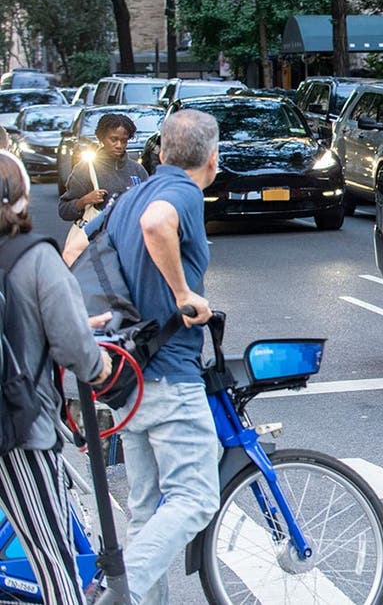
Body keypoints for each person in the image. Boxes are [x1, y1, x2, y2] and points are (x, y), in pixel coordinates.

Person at [72, 110, 219, 605]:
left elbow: (77, 246)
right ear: (212, 159)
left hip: (127, 377)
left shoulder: (128, 195)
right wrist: (183, 293)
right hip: (168, 374)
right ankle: (112, 595)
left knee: (147, 508)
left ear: (158, 153)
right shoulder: (180, 193)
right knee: (195, 498)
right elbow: (160, 224)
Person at [0, 150, 111, 603]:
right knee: (52, 553)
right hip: (18, 426)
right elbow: (74, 349)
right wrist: (99, 366)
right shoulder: (35, 257)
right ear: (22, 197)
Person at [58, 113, 149, 227]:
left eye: (124, 140)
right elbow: (64, 210)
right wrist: (85, 200)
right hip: (98, 239)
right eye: (113, 139)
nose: (119, 145)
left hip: (131, 237)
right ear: (101, 138)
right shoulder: (85, 169)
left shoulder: (137, 170)